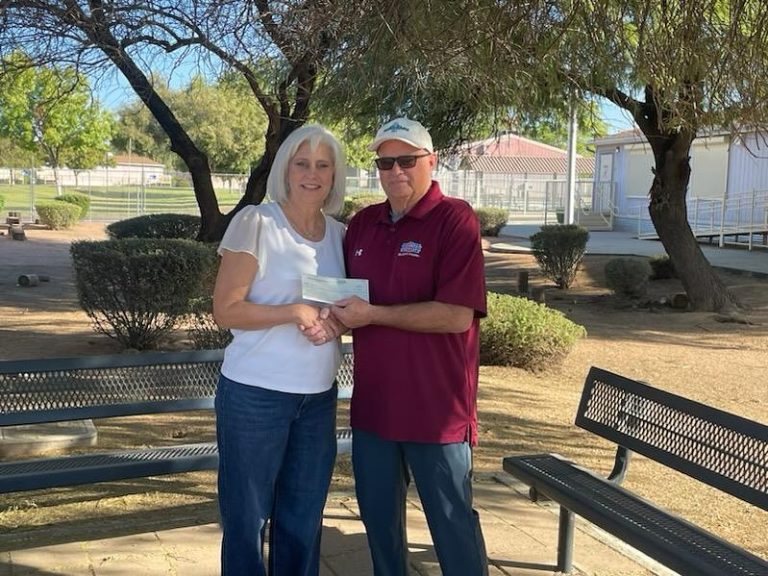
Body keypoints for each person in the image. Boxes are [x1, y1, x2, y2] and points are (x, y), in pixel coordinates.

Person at [331, 117, 489, 576]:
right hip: (375, 408)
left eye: (407, 160)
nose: (395, 171)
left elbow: (456, 315)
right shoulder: (362, 225)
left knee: (452, 523)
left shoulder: (455, 219)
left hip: (436, 410)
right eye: (385, 162)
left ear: (431, 162)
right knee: (380, 526)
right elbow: (337, 296)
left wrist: (374, 314)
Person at [212, 124, 347, 576]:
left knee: (303, 519)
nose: (312, 174)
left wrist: (332, 325)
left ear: (335, 174)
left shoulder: (339, 236)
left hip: (317, 396)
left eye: (322, 165)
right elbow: (226, 311)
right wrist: (291, 311)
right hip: (256, 394)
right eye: (302, 164)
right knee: (247, 519)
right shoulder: (256, 222)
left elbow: (337, 307)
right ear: (286, 170)